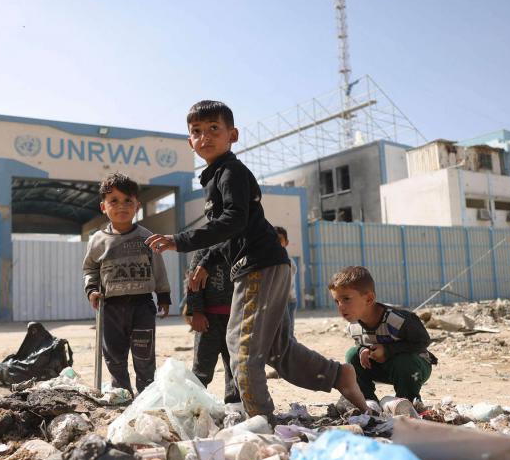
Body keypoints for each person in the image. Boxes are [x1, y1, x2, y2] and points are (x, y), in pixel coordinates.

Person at [145, 100, 367, 419]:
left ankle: (259, 418)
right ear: (189, 142)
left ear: (232, 135)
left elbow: (234, 220)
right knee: (277, 348)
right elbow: (233, 231)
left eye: (214, 128)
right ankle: (338, 375)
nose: (205, 136)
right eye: (197, 131)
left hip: (259, 266)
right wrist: (206, 260)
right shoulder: (217, 176)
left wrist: (180, 240)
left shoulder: (230, 172)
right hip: (265, 263)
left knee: (240, 345)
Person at [83, 172, 171, 395]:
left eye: (127, 201)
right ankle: (122, 392)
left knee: (144, 355)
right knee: (114, 355)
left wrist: (163, 295)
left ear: (137, 206)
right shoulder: (97, 241)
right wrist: (91, 290)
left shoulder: (146, 237)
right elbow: (90, 269)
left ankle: (146, 394)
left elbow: (158, 268)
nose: (121, 206)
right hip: (111, 307)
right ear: (103, 207)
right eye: (114, 201)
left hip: (142, 306)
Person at [329, 266, 437, 404]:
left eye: (346, 299)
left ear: (369, 299)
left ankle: (407, 402)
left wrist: (388, 350)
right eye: (337, 301)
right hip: (383, 368)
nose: (340, 306)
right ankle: (368, 402)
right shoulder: (353, 325)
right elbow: (361, 343)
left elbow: (423, 341)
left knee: (404, 362)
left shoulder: (398, 319)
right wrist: (363, 350)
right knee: (352, 355)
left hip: (415, 368)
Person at [185, 247, 240, 404]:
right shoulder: (203, 249)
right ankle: (195, 404)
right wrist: (196, 312)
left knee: (235, 366)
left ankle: (234, 404)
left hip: (236, 318)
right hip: (208, 320)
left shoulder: (240, 245)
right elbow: (193, 281)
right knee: (202, 367)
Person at [274, 226, 297, 339]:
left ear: (286, 242)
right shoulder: (273, 260)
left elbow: (284, 284)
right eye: (273, 239)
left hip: (287, 300)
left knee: (288, 333)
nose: (276, 243)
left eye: (279, 239)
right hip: (277, 301)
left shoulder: (288, 261)